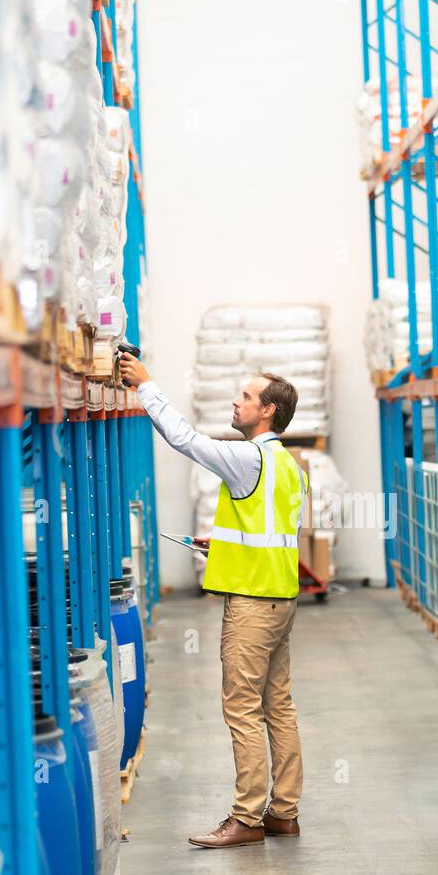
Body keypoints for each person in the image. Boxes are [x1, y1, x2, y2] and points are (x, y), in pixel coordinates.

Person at [119, 353, 308, 848]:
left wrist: (146, 386)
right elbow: (271, 531)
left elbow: (185, 439)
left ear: (267, 412)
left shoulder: (249, 457)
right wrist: (219, 544)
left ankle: (246, 819)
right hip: (280, 600)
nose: (236, 401)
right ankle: (283, 812)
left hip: (251, 605)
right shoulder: (287, 465)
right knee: (278, 706)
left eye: (245, 397)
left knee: (242, 708)